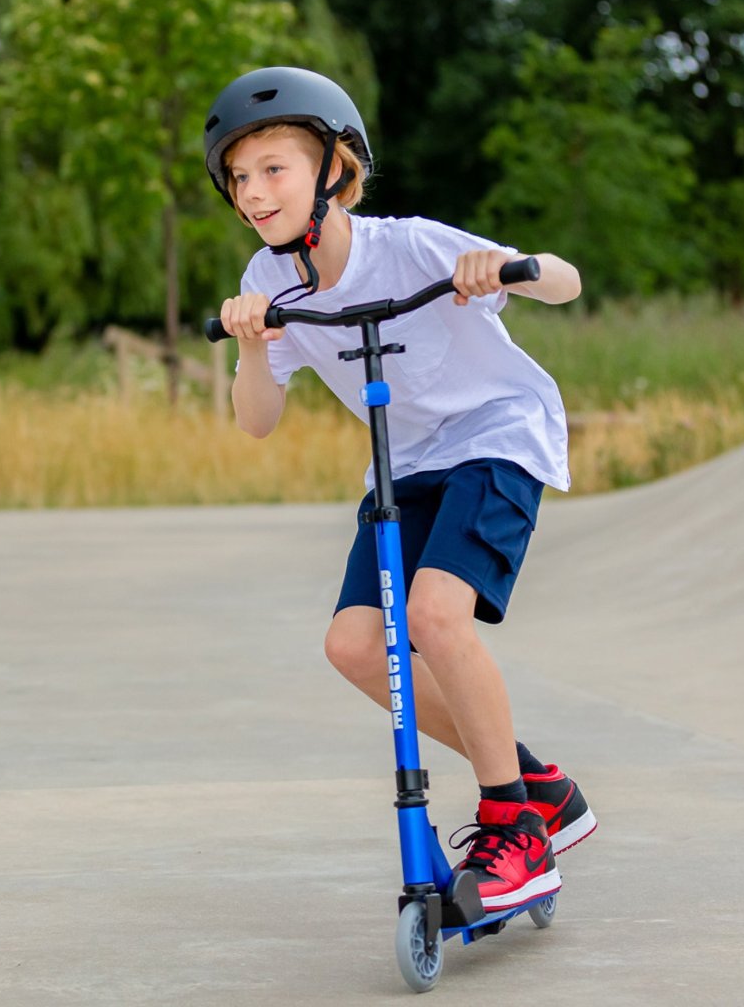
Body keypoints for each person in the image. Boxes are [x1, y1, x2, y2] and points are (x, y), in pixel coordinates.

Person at [205, 67, 596, 912]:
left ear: (334, 171)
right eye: (240, 175)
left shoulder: (409, 245)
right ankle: (535, 784)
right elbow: (257, 421)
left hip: (498, 435)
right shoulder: (267, 280)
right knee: (354, 645)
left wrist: (504, 268)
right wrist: (248, 342)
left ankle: (515, 831)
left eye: (275, 168)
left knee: (433, 616)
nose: (254, 192)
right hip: (409, 461)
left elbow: (564, 280)